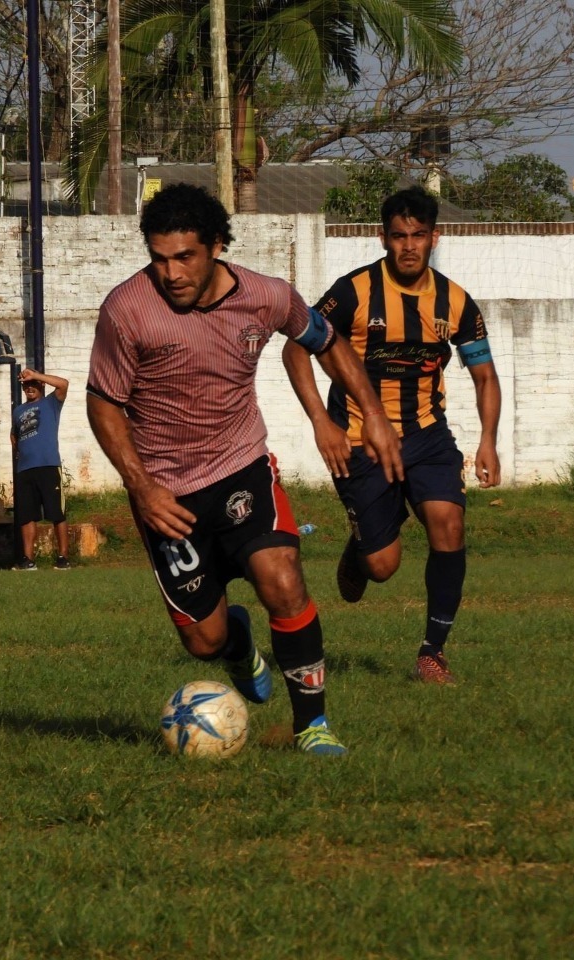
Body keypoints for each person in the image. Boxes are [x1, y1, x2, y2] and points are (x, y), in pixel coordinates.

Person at [86, 182, 402, 756]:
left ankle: (313, 726)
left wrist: (372, 414)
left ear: (217, 247)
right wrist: (141, 486)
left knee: (282, 579)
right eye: (159, 259)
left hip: (240, 468)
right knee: (202, 640)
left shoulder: (267, 296)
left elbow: (327, 343)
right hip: (166, 495)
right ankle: (235, 645)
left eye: (185, 257)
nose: (171, 273)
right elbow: (104, 403)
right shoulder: (127, 309)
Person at [282, 186, 501, 685]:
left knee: (448, 525)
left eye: (418, 236)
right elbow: (298, 349)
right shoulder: (354, 291)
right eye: (398, 236)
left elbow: (484, 375)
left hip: (428, 436)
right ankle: (363, 545)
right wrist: (322, 421)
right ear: (383, 238)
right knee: (381, 568)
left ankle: (433, 652)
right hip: (359, 441)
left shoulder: (455, 301)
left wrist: (487, 440)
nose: (408, 246)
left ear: (433, 238)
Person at [10, 368, 71, 571]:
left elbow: (63, 383)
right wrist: (19, 452)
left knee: (56, 513)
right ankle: (28, 559)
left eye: (33, 384)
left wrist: (35, 375)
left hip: (48, 465)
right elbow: (14, 435)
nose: (29, 388)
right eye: (26, 385)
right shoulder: (18, 411)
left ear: (41, 385)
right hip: (25, 469)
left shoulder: (51, 403)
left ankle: (63, 557)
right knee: (26, 515)